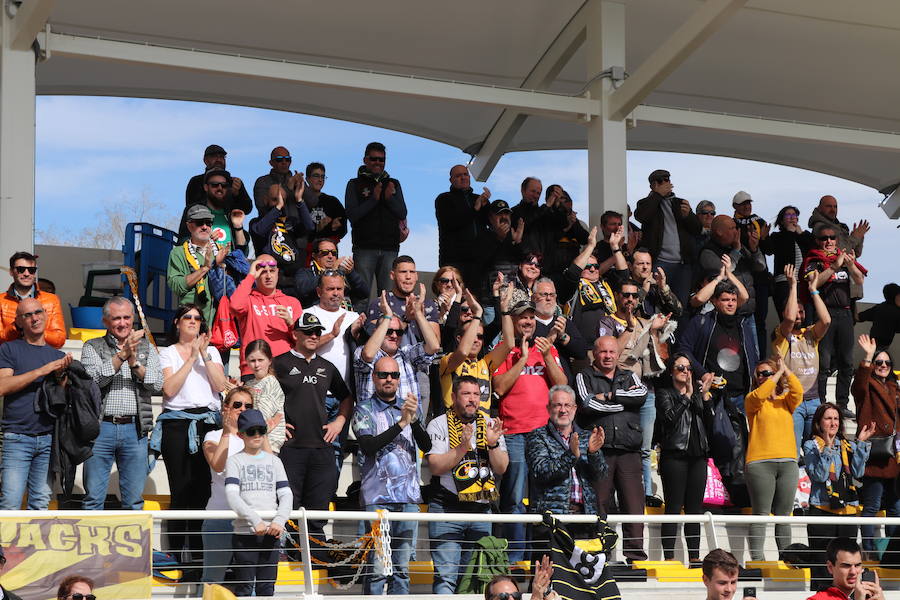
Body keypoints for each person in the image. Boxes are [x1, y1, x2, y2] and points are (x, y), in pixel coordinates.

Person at [492, 298, 567, 562]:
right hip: (513, 432)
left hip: (544, 436)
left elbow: (562, 387)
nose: (528, 321)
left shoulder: (546, 348)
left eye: (531, 318)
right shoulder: (504, 349)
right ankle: (514, 558)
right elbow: (499, 387)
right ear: (512, 321)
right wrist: (522, 359)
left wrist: (546, 356)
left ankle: (542, 559)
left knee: (544, 500)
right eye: (522, 317)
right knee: (513, 498)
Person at [273, 312, 352, 552]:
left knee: (317, 512)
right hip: (290, 449)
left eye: (317, 331)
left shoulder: (326, 367)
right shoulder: (279, 362)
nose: (313, 335)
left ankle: (314, 561)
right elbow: (255, 390)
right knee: (288, 509)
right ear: (295, 334)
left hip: (321, 449)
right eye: (308, 331)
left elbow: (347, 397)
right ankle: (286, 559)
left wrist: (339, 421)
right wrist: (273, 422)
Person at [352, 357, 431, 595]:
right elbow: (368, 446)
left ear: (399, 380)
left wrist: (413, 421)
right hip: (378, 499)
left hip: (407, 499)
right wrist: (400, 424)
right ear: (374, 377)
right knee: (378, 568)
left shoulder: (408, 407)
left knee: (402, 569)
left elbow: (426, 445)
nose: (389, 379)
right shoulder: (363, 408)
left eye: (394, 375)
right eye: (384, 374)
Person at [157, 304, 228, 564]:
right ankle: (176, 553)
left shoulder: (212, 352)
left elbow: (221, 386)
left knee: (203, 493)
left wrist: (204, 356)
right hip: (177, 424)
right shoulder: (167, 353)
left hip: (208, 423)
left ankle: (199, 556)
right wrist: (190, 358)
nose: (193, 321)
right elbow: (169, 390)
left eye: (198, 318)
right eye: (187, 317)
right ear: (176, 322)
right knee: (180, 490)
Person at [425, 376, 508, 594]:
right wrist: (462, 447)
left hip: (481, 511)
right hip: (447, 510)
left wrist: (493, 444)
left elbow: (501, 468)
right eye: (466, 394)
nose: (472, 400)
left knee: (476, 580)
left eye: (476, 395)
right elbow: (435, 466)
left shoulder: (490, 423)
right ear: (453, 397)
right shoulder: (438, 423)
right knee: (446, 578)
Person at [80, 296, 162, 510]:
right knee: (93, 500)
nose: (123, 323)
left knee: (134, 501)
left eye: (127, 317)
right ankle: (92, 544)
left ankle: (135, 545)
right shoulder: (92, 346)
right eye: (117, 318)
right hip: (100, 428)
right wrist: (121, 356)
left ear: (133, 318)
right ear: (106, 321)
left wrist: (134, 363)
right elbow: (95, 381)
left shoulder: (147, 348)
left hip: (135, 429)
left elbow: (157, 385)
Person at [596, 280, 672, 504]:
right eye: (626, 295)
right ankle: (616, 496)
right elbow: (612, 355)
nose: (630, 299)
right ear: (618, 297)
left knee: (645, 447)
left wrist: (655, 332)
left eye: (634, 296)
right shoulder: (608, 321)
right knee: (616, 445)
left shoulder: (644, 322)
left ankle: (646, 493)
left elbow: (660, 357)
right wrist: (630, 331)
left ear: (639, 300)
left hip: (646, 392)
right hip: (618, 391)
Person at [574, 336, 649, 563]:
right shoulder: (583, 376)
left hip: (629, 450)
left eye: (612, 352)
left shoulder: (629, 375)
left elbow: (642, 395)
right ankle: (599, 556)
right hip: (599, 452)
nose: (608, 356)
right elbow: (587, 404)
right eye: (603, 352)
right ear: (595, 354)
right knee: (599, 504)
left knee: (634, 505)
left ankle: (635, 556)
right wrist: (624, 404)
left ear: (618, 354)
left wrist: (609, 396)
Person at [0, 298, 72, 510]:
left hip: (49, 438)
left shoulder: (57, 356)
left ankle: (33, 545)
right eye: (27, 315)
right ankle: (8, 545)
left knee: (40, 502)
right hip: (17, 437)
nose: (34, 318)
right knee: (10, 502)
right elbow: (3, 387)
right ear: (19, 323)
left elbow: (61, 399)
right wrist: (42, 370)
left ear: (46, 315)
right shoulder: (9, 349)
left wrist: (61, 377)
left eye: (38, 312)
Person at [804, 402, 874, 591]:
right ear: (819, 422)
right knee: (822, 562)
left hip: (848, 508)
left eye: (836, 418)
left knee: (848, 560)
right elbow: (819, 476)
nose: (833, 423)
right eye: (828, 418)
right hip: (822, 509)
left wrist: (860, 443)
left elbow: (858, 473)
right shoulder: (811, 445)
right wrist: (826, 448)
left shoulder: (847, 445)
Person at [225, 409, 292, 597]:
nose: (256, 435)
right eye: (251, 431)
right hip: (244, 534)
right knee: (244, 588)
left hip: (272, 533)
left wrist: (280, 520)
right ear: (241, 435)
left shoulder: (275, 461)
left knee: (267, 588)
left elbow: (286, 495)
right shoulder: (234, 461)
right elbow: (232, 496)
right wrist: (255, 520)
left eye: (261, 430)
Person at [802, 224, 866, 418]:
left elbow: (859, 280)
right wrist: (833, 267)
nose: (828, 241)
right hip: (825, 314)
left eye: (832, 238)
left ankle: (842, 403)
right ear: (817, 241)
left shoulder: (842, 257)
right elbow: (814, 282)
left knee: (847, 362)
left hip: (845, 313)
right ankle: (820, 403)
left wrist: (850, 264)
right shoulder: (814, 259)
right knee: (824, 362)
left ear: (837, 240)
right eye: (824, 238)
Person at [743, 355, 803, 561]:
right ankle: (757, 561)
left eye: (768, 373)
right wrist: (776, 374)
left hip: (787, 462)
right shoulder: (753, 399)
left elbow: (798, 391)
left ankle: (787, 561)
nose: (765, 377)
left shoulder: (786, 402)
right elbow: (760, 395)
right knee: (761, 514)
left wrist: (785, 370)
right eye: (761, 374)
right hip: (760, 463)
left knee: (783, 517)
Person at [525, 385, 607, 533]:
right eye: (558, 405)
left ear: (575, 409)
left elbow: (600, 475)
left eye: (567, 405)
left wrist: (593, 454)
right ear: (548, 408)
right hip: (551, 521)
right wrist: (571, 455)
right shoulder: (537, 436)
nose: (563, 410)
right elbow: (540, 472)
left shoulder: (587, 437)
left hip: (585, 519)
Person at [655, 353, 712, 564]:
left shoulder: (698, 395)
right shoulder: (664, 394)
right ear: (671, 371)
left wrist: (704, 397)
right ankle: (670, 557)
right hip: (675, 455)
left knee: (694, 510)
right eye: (680, 367)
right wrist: (686, 396)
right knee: (673, 506)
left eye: (688, 368)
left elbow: (711, 424)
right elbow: (669, 419)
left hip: (698, 456)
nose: (685, 371)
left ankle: (695, 558)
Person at [305, 271, 365, 470]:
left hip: (344, 396)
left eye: (339, 289)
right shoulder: (308, 314)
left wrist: (358, 334)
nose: (336, 293)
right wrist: (332, 334)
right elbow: (304, 348)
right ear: (319, 291)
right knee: (314, 446)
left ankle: (329, 495)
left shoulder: (353, 316)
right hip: (314, 394)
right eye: (330, 289)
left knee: (337, 448)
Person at [677, 281, 759, 414]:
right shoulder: (701, 322)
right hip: (710, 395)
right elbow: (684, 349)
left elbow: (753, 359)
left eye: (733, 300)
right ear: (714, 301)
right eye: (725, 300)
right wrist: (702, 373)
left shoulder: (744, 326)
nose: (731, 304)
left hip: (740, 397)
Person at [851, 334, 900, 556]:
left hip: (894, 455)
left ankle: (892, 550)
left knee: (895, 508)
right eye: (878, 362)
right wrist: (868, 356)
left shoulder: (895, 389)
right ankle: (870, 549)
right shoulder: (867, 385)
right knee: (871, 505)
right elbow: (858, 386)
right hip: (874, 451)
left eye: (886, 363)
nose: (882, 366)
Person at [774, 265, 830, 454]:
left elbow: (827, 321)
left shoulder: (811, 333)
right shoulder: (780, 334)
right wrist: (793, 286)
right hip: (792, 400)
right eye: (796, 311)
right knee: (792, 451)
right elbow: (789, 319)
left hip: (814, 401)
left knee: (816, 451)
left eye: (802, 311)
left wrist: (813, 290)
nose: (799, 315)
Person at [201, 387, 252, 585]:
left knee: (249, 583)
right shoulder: (212, 436)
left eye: (248, 406)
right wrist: (227, 432)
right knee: (212, 580)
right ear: (226, 408)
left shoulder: (255, 439)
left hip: (249, 519)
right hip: (219, 517)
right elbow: (217, 465)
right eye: (237, 405)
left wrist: (261, 433)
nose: (242, 409)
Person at [345, 141, 408, 296]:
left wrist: (388, 198)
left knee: (387, 297)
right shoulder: (354, 184)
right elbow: (352, 216)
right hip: (364, 248)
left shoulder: (393, 183)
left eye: (381, 159)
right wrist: (373, 199)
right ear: (365, 160)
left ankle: (386, 321)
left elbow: (402, 213)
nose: (378, 163)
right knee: (362, 295)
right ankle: (359, 321)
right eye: (374, 159)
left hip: (390, 248)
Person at [439, 288, 513, 415]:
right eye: (471, 335)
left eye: (480, 337)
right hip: (455, 428)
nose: (476, 340)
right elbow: (462, 352)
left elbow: (509, 344)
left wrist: (505, 310)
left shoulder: (485, 363)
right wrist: (477, 314)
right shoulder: (447, 361)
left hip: (482, 429)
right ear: (459, 338)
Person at [698, 215, 767, 352]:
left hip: (749, 312)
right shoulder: (708, 252)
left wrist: (754, 250)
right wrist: (735, 251)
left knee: (754, 355)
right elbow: (723, 273)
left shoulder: (739, 247)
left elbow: (760, 267)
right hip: (728, 315)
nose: (737, 232)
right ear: (719, 231)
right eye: (732, 228)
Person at [634, 169, 702, 305]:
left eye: (667, 180)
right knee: (656, 303)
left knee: (680, 305)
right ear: (653, 186)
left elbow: (697, 229)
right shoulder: (645, 203)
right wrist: (657, 195)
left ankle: (679, 327)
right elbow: (642, 216)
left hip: (682, 265)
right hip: (659, 262)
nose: (665, 183)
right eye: (660, 181)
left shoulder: (680, 203)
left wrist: (688, 216)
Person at [228, 255, 303, 379]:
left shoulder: (292, 302)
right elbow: (235, 306)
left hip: (287, 369)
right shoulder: (248, 300)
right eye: (263, 272)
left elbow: (302, 341)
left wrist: (291, 323)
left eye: (272, 271)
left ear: (277, 273)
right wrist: (250, 276)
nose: (268, 276)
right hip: (254, 370)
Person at [167, 204, 228, 325]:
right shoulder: (178, 252)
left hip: (221, 323)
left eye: (208, 222)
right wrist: (204, 268)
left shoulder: (223, 251)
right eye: (200, 222)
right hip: (192, 323)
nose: (205, 227)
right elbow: (176, 286)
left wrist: (221, 265)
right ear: (189, 226)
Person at [248, 171, 314, 280]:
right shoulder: (256, 223)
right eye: (276, 199)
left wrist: (299, 200)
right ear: (265, 200)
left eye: (283, 200)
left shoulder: (290, 222)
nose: (281, 203)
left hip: (293, 278)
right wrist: (277, 208)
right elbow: (260, 231)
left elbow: (309, 227)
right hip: (271, 276)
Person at [731, 191, 772, 356]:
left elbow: (769, 250)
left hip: (760, 279)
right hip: (741, 277)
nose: (747, 206)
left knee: (760, 321)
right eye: (743, 204)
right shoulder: (731, 223)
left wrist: (763, 239)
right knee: (739, 319)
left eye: (749, 203)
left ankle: (761, 359)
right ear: (735, 206)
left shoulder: (759, 221)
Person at [435, 165, 490, 287]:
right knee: (453, 299)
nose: (463, 177)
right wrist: (475, 209)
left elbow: (489, 224)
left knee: (475, 300)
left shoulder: (477, 198)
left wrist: (486, 206)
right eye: (458, 175)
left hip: (478, 261)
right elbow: (451, 223)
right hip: (454, 260)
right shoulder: (444, 199)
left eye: (465, 174)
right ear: (451, 180)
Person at [364, 256, 439, 345]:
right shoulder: (381, 303)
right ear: (392, 275)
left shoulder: (427, 304)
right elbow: (372, 340)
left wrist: (419, 317)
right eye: (403, 272)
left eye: (412, 272)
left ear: (416, 276)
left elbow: (436, 343)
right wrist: (406, 320)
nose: (408, 276)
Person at [0, 251, 66, 348]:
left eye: (31, 270)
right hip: (10, 359)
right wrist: (16, 327)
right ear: (11, 272)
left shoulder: (52, 300)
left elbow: (59, 339)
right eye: (21, 269)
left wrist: (34, 331)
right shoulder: (1, 301)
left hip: (43, 359)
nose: (26, 274)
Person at [177, 168, 249, 256]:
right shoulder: (194, 211)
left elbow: (243, 253)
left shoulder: (231, 214)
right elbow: (181, 243)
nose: (220, 188)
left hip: (230, 267)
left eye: (224, 185)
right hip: (202, 267)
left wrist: (238, 227)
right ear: (206, 187)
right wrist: (203, 240)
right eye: (215, 185)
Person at [765, 205, 815, 316]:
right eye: (788, 215)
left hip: (803, 282)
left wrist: (801, 234)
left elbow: (813, 248)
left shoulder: (803, 235)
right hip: (784, 282)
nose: (792, 217)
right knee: (788, 315)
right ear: (782, 221)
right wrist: (789, 233)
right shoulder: (777, 236)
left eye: (794, 215)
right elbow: (770, 250)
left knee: (805, 316)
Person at [294, 238, 369, 308]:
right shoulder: (305, 273)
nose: (330, 256)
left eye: (333, 253)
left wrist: (351, 273)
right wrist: (331, 271)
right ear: (314, 255)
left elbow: (364, 294)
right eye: (324, 253)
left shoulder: (343, 272)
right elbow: (302, 290)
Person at [806, 537, 885, 600]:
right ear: (830, 567)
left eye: (857, 565)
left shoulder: (871, 596)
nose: (853, 572)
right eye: (846, 566)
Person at [244, 340, 286, 453]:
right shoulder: (248, 384)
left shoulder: (271, 382)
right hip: (251, 440)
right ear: (246, 362)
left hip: (269, 444)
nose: (257, 365)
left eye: (260, 360)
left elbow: (262, 416)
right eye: (252, 360)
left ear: (270, 361)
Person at [184, 144, 251, 211]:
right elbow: (192, 208)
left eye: (222, 157)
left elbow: (247, 208)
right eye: (214, 156)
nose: (218, 160)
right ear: (205, 160)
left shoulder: (234, 182)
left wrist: (236, 195)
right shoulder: (196, 181)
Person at [303, 161, 348, 247]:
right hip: (305, 251)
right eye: (316, 176)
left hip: (328, 251)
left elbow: (343, 230)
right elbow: (299, 231)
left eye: (323, 177)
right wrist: (319, 228)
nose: (320, 180)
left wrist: (335, 228)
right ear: (307, 179)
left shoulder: (333, 202)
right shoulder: (300, 201)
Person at [252, 146, 298, 217]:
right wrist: (288, 188)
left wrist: (302, 186)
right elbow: (262, 208)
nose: (284, 162)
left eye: (287, 159)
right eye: (279, 159)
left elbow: (313, 202)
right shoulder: (262, 182)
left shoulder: (296, 181)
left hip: (296, 226)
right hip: (273, 226)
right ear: (271, 163)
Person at [857, 283, 900, 349]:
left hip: (873, 344)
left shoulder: (879, 307)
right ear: (895, 296)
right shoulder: (895, 311)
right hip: (881, 346)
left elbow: (860, 317)